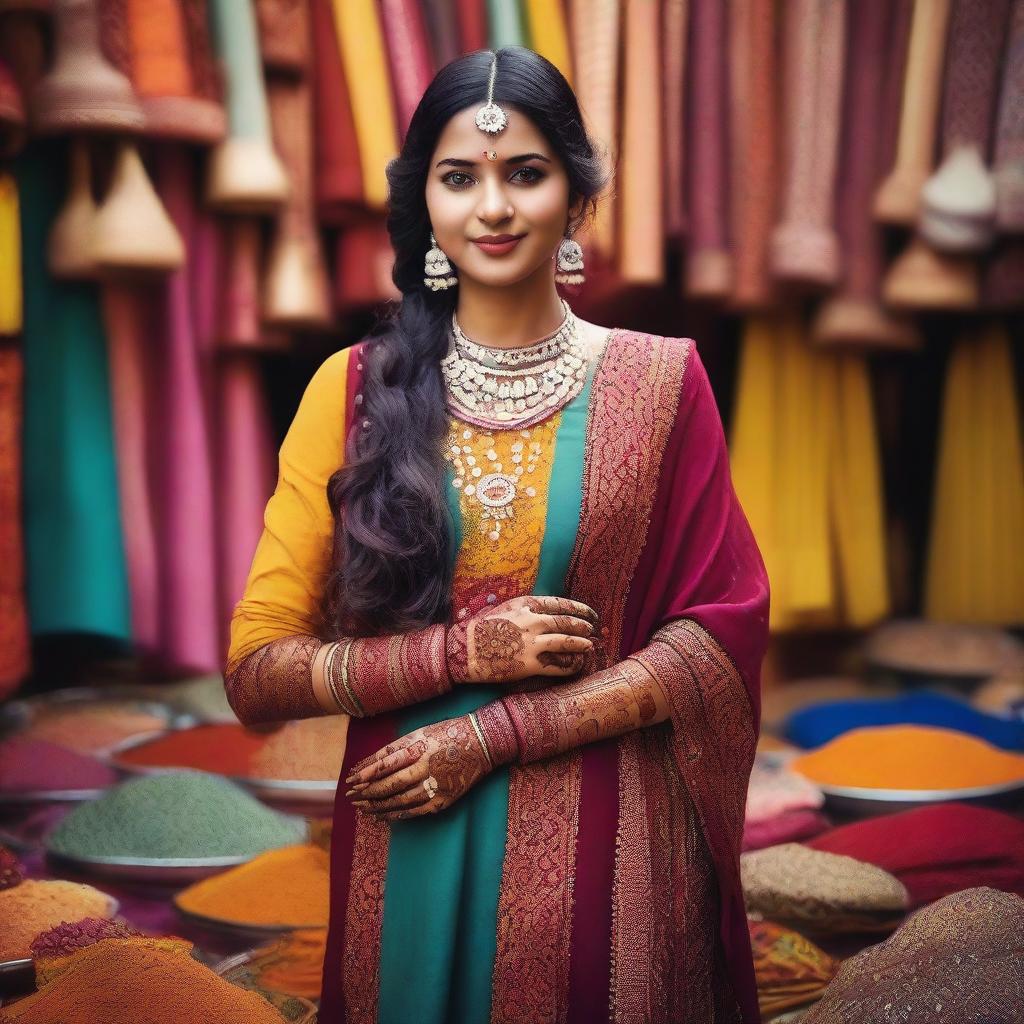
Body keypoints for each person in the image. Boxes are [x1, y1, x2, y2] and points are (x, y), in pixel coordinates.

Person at [224, 47, 769, 1024]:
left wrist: (501, 729)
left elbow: (714, 637)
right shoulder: (351, 390)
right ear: (422, 203)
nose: (493, 208)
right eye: (458, 176)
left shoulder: (660, 384)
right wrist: (460, 653)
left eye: (525, 172)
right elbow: (257, 670)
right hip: (408, 840)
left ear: (576, 195)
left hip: (611, 844)